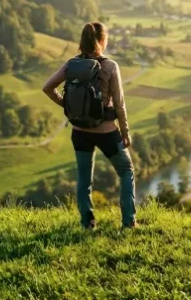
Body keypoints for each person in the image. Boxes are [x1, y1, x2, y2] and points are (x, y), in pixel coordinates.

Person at [42, 22, 136, 229]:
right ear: (102, 40)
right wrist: (125, 132)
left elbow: (47, 87)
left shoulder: (71, 65)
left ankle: (88, 223)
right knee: (126, 171)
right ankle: (129, 222)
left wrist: (66, 106)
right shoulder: (110, 66)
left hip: (79, 132)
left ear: (81, 41)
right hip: (107, 132)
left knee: (84, 179)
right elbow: (119, 104)